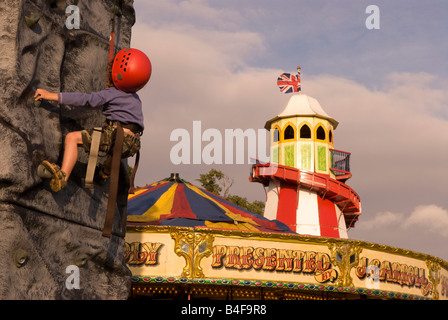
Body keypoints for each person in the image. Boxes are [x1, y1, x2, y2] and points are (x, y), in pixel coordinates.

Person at [34, 48, 152, 192]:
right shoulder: (136, 99)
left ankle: (62, 176)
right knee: (117, 149)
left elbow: (86, 100)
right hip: (132, 144)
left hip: (115, 137)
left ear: (119, 72)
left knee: (72, 138)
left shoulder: (112, 93)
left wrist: (51, 95)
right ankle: (103, 174)